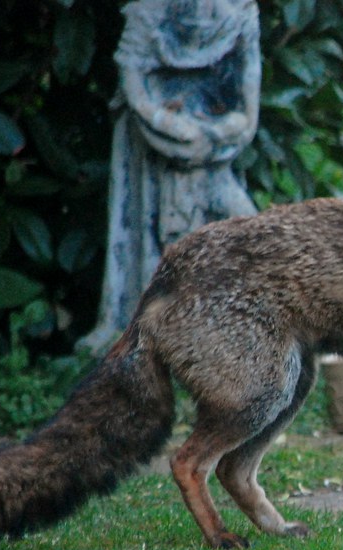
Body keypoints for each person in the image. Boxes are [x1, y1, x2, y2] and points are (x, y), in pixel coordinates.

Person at [80, 0, 260, 352]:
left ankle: (236, 331)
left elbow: (247, 109)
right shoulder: (148, 11)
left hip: (213, 148)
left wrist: (217, 133)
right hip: (153, 144)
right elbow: (135, 87)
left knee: (245, 230)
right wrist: (172, 129)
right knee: (160, 243)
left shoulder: (241, 13)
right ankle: (158, 334)